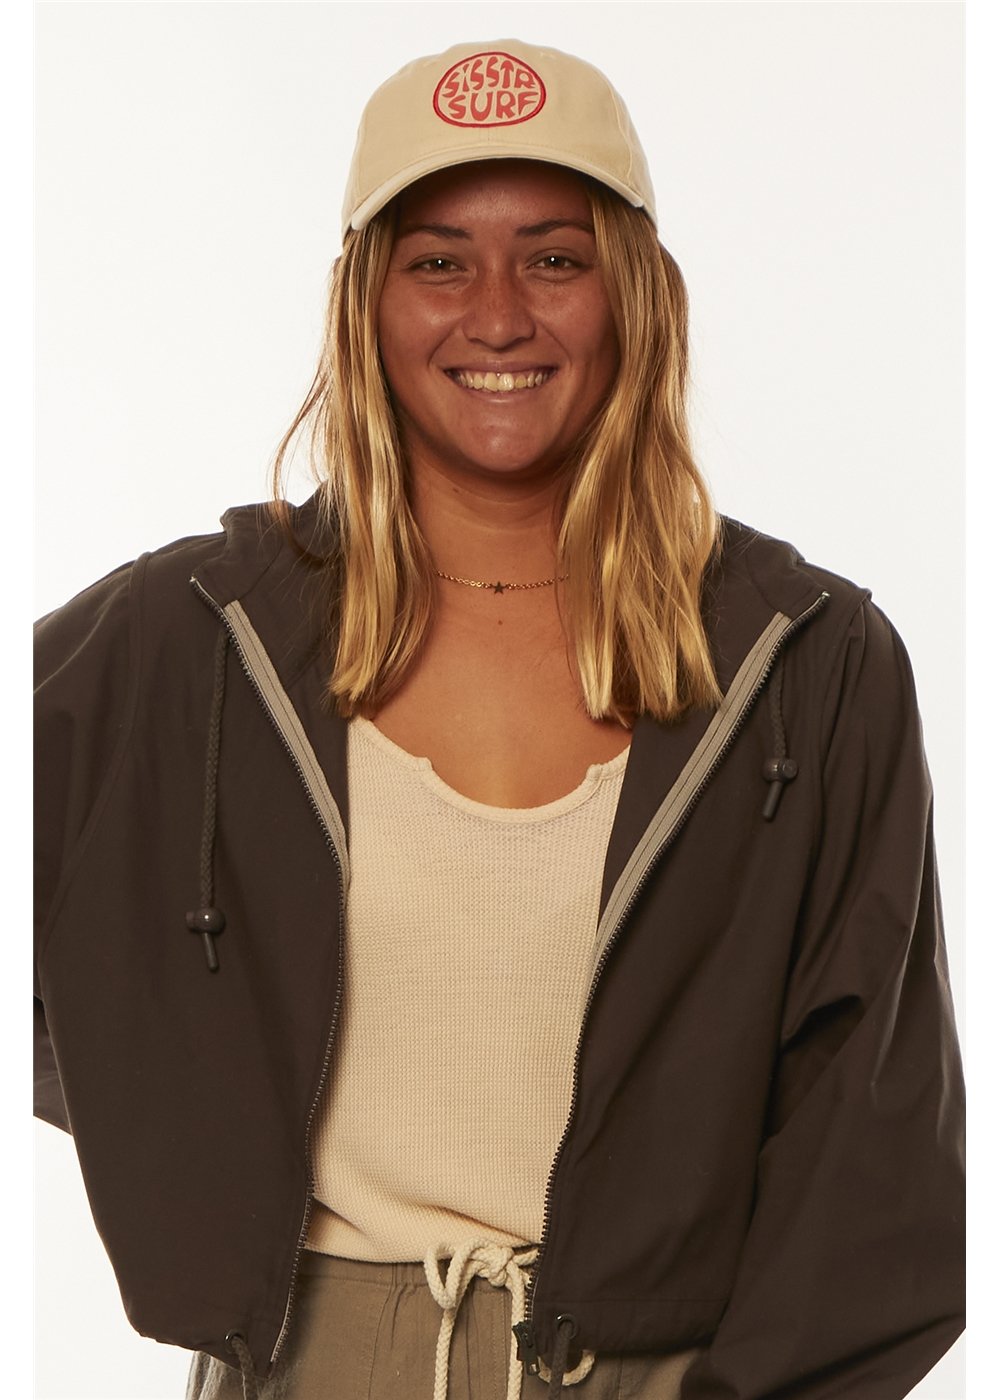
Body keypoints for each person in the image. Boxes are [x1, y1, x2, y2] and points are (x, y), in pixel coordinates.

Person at [34, 37, 964, 1400]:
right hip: (307, 1369)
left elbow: (873, 1156)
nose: (498, 316)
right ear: (365, 301)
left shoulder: (809, 663)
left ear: (635, 292)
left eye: (555, 258)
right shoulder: (183, 641)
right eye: (437, 261)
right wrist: (179, 1130)